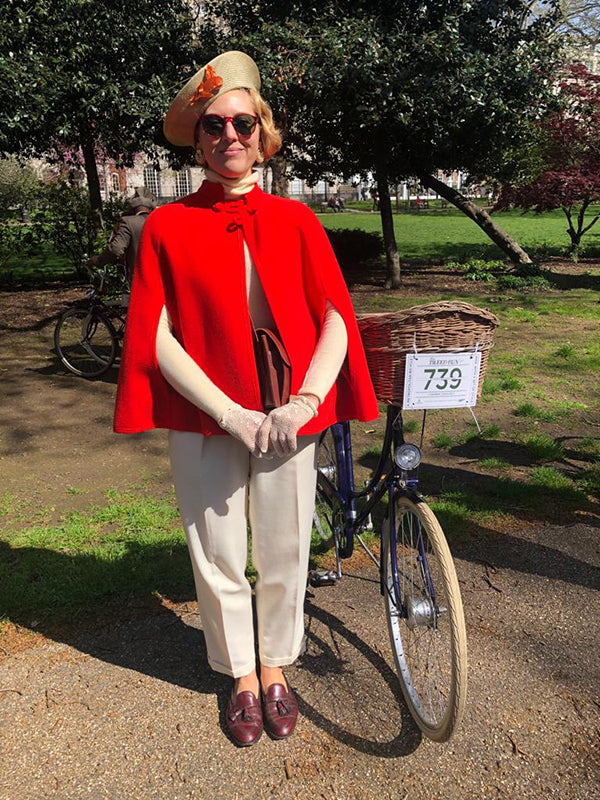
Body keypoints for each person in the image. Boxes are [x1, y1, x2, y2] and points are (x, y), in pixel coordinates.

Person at [113, 51, 378, 747]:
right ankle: (238, 674)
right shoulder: (167, 226)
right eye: (212, 126)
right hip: (207, 417)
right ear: (197, 141)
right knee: (218, 549)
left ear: (263, 132)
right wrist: (226, 411)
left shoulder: (297, 220)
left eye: (241, 122)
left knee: (287, 546)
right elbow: (155, 334)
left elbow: (334, 320)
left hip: (291, 412)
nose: (228, 135)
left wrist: (307, 399)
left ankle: (276, 667)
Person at [89, 188, 157, 285]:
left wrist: (99, 260)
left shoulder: (128, 222)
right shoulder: (163, 221)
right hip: (166, 279)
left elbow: (116, 249)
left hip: (141, 282)